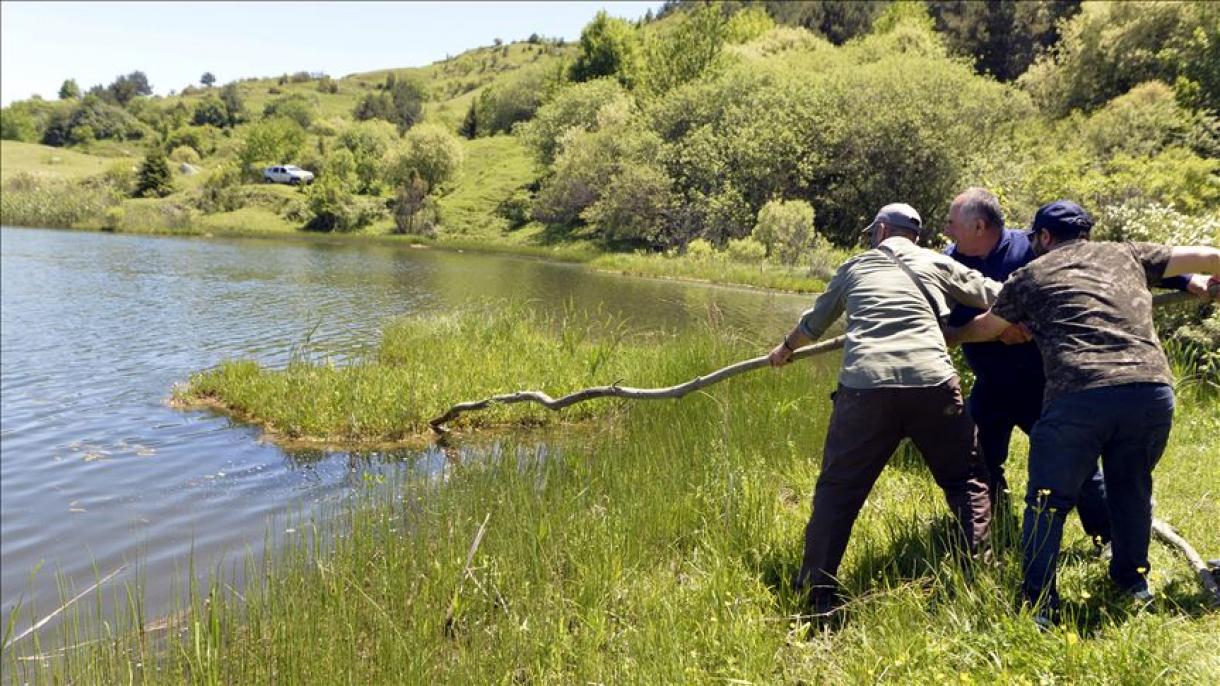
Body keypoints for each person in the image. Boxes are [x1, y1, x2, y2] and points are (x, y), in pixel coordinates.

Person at [949, 199, 1220, 623]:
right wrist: (1203, 282)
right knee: (1131, 490)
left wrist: (949, 334)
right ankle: (1133, 583)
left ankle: (1040, 603)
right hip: (1150, 392)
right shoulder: (1126, 252)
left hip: (1080, 395)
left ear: (1042, 237)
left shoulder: (1031, 274)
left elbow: (985, 328)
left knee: (1046, 502)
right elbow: (1208, 256)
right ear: (1086, 233)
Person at [769, 202, 999, 619]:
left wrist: (785, 350)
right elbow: (995, 293)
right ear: (914, 235)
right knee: (966, 481)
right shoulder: (935, 262)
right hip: (933, 383)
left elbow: (812, 324)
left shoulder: (854, 268)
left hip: (865, 390)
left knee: (838, 491)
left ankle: (816, 595)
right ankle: (977, 579)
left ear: (879, 231)